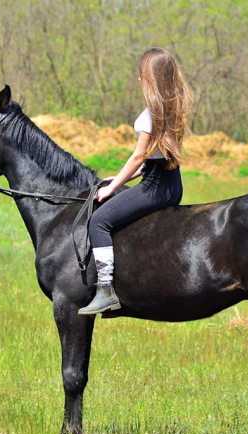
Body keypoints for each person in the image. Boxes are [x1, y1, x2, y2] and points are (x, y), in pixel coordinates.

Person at [79, 47, 193, 315]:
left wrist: (112, 187)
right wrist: (121, 177)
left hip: (155, 188)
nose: (139, 79)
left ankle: (105, 291)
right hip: (170, 185)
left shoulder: (150, 114)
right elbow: (153, 160)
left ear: (150, 78)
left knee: (99, 221)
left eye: (142, 75)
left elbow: (139, 155)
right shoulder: (171, 108)